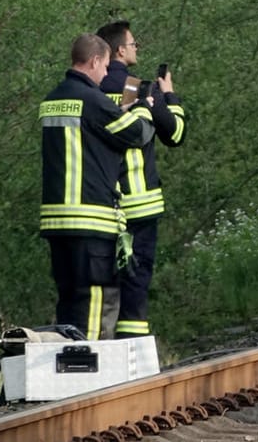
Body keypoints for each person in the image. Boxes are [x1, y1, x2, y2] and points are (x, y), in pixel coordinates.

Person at [40, 33, 154, 340]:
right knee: (96, 304)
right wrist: (143, 107)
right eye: (104, 67)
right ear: (94, 61)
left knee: (68, 306)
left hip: (56, 224)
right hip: (91, 223)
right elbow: (137, 134)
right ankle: (89, 377)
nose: (105, 74)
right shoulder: (92, 101)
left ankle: (65, 376)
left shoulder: (52, 99)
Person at [95, 20, 187, 338]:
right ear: (120, 50)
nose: (136, 50)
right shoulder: (139, 89)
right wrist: (170, 96)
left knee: (102, 285)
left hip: (99, 206)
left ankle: (101, 350)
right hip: (139, 206)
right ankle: (132, 357)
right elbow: (175, 133)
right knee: (135, 281)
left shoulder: (88, 92)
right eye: (134, 45)